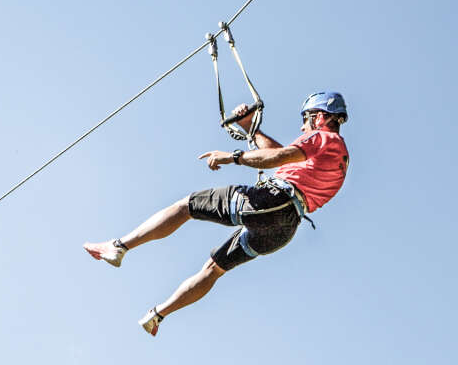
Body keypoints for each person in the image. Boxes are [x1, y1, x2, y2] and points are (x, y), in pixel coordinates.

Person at [83, 92, 350, 336]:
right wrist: (249, 127)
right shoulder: (336, 155)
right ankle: (157, 315)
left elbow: (279, 158)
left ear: (320, 117)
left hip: (272, 202)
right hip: (284, 229)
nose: (303, 127)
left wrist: (232, 157)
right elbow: (281, 156)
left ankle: (119, 247)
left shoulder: (324, 137)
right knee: (213, 269)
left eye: (306, 120)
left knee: (185, 206)